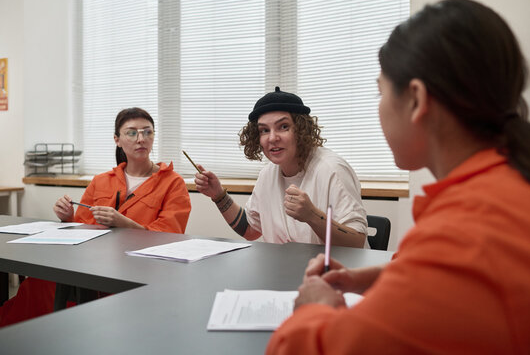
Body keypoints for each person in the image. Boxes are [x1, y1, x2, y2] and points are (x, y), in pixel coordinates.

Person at [267, 0, 530, 354]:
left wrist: (314, 307)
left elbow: (305, 348)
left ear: (416, 99)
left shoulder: (466, 235)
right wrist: (378, 278)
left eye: (381, 92)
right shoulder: (509, 187)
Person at [0, 107, 191, 327]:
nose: (141, 139)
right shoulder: (102, 180)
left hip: (139, 269)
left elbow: (171, 237)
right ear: (117, 140)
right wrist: (68, 218)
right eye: (131, 133)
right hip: (91, 264)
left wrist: (124, 223)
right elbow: (81, 230)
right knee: (38, 283)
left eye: (147, 132)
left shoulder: (172, 183)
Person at [195, 87, 368, 248]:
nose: (272, 138)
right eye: (264, 130)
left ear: (301, 130)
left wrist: (312, 216)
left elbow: (357, 242)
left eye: (283, 127)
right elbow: (250, 229)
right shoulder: (268, 174)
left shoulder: (331, 169)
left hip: (333, 276)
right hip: (285, 274)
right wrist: (218, 196)